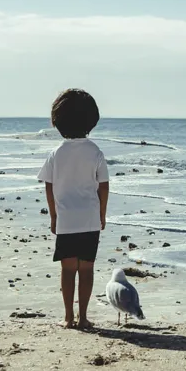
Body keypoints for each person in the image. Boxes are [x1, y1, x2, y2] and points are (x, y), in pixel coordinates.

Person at [37, 89, 109, 329]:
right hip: (89, 218)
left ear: (58, 121)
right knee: (86, 269)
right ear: (91, 120)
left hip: (66, 219)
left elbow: (49, 185)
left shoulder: (56, 153)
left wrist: (53, 215)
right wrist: (102, 213)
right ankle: (84, 317)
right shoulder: (95, 151)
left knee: (68, 269)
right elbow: (103, 185)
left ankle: (68, 317)